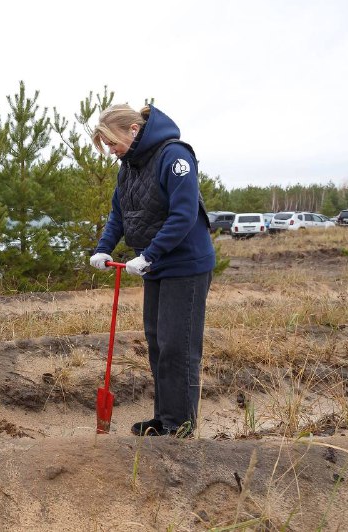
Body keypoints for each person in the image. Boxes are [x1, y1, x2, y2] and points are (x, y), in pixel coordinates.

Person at [89, 104, 215, 437]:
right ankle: (165, 419)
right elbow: (120, 213)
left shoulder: (174, 157)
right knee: (159, 343)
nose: (112, 151)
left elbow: (183, 215)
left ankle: (181, 424)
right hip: (157, 265)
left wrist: (149, 255)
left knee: (179, 345)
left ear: (133, 129)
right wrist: (103, 247)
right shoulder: (129, 166)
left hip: (185, 264)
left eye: (112, 143)